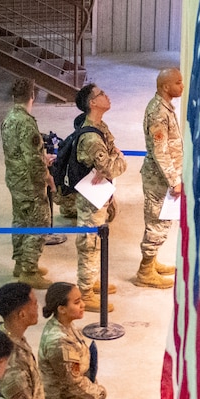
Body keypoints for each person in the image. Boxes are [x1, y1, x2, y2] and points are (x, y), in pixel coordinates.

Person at [66, 83, 127, 300]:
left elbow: (108, 157)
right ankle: (85, 292)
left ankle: (92, 282)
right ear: (92, 103)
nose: (107, 95)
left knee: (97, 241)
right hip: (91, 199)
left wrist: (110, 159)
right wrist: (119, 158)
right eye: (102, 94)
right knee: (89, 244)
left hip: (100, 193)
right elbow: (111, 166)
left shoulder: (100, 126)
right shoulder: (91, 137)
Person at [1, 80, 54, 287]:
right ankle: (29, 271)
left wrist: (41, 156)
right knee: (39, 222)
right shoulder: (26, 122)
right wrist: (47, 176)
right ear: (32, 96)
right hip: (29, 182)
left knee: (20, 221)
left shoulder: (9, 119)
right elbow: (32, 159)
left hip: (15, 179)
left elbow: (18, 152)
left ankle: (21, 263)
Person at [135, 66, 183, 289]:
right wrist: (174, 180)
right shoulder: (158, 112)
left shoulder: (165, 107)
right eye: (178, 83)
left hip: (164, 177)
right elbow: (159, 150)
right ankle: (145, 271)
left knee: (161, 222)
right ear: (166, 86)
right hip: (159, 179)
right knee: (157, 224)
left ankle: (152, 262)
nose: (181, 86)